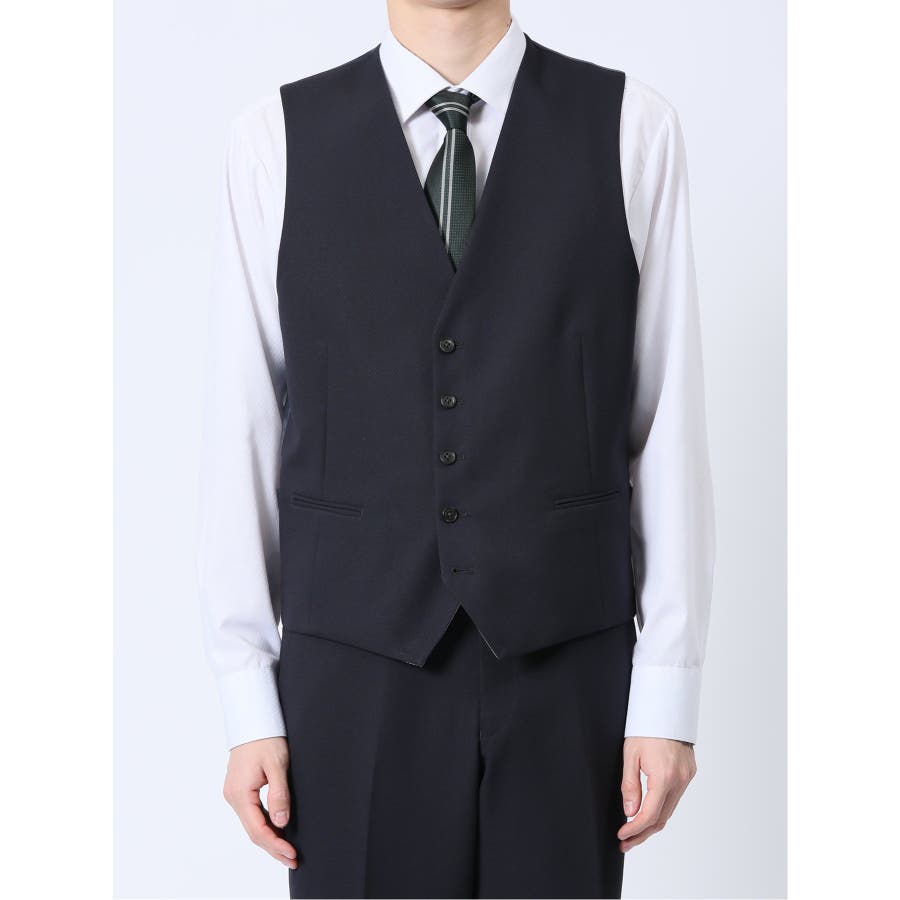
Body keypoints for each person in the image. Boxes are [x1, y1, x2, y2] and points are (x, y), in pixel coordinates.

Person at [197, 0, 716, 896]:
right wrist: (247, 696)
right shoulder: (271, 140)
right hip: (352, 666)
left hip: (566, 664)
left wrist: (669, 691)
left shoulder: (634, 128)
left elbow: (666, 419)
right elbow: (244, 425)